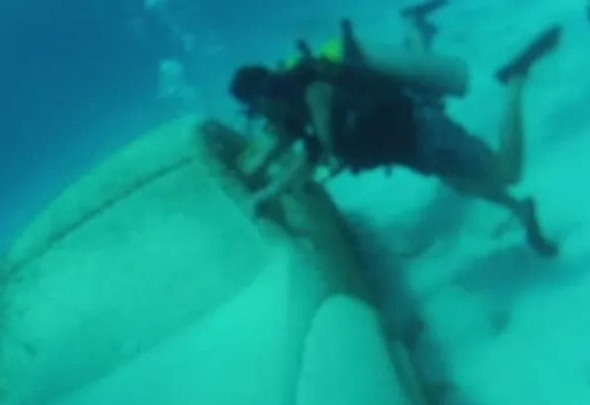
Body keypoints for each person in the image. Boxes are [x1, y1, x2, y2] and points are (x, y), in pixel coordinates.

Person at [228, 17, 562, 257]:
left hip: (422, 132)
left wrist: (280, 183)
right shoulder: (293, 101)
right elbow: (298, 147)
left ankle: (515, 80)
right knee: (457, 179)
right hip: (412, 146)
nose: (260, 119)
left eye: (255, 109)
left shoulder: (306, 89)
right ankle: (520, 210)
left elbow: (318, 146)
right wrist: (262, 187)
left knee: (506, 172)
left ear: (262, 97)